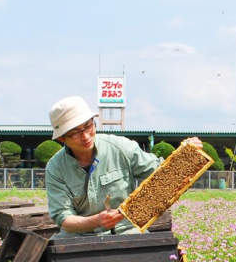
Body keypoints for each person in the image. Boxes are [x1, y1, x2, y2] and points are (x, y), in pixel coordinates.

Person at [45, 96, 201, 236]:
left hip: (126, 230)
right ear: (61, 138)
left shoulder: (121, 147)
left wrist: (187, 154)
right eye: (75, 133)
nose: (85, 136)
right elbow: (64, 218)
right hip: (78, 236)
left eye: (88, 126)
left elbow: (164, 174)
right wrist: (96, 221)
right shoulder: (55, 168)